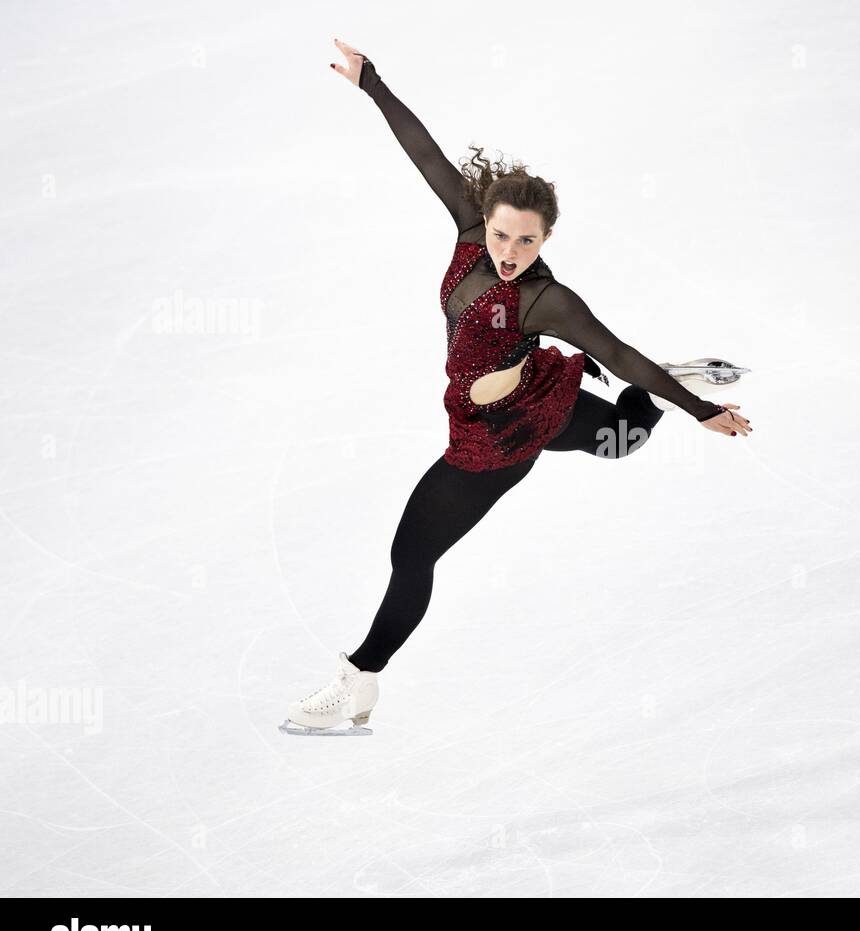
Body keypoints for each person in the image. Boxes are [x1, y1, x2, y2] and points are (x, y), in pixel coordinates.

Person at [281, 39, 753, 736]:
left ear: (546, 239)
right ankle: (665, 382)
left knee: (413, 553)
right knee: (613, 443)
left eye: (527, 243)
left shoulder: (546, 300)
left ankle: (359, 681)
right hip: (533, 393)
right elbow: (425, 154)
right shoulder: (470, 232)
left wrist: (702, 411)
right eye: (503, 236)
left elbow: (618, 352)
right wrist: (372, 83)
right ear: (486, 222)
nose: (509, 253)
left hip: (496, 438)